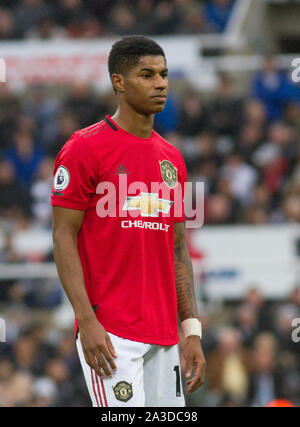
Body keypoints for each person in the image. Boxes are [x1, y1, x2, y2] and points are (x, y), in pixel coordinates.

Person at [51, 35, 206, 407]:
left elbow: (178, 248)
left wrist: (192, 331)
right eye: (147, 74)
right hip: (111, 334)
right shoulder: (84, 148)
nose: (161, 83)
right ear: (118, 81)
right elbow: (62, 236)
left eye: (164, 74)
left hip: (166, 333)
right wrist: (86, 321)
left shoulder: (173, 160)